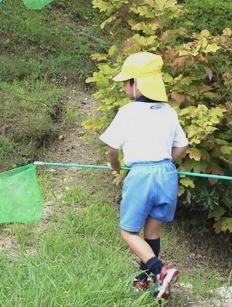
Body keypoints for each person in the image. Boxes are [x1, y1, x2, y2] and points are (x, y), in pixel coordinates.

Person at [99, 52, 188, 300]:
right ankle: (144, 282)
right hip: (167, 175)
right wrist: (165, 163)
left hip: (141, 176)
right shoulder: (169, 111)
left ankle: (161, 271)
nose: (124, 88)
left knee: (128, 232)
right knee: (152, 233)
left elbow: (112, 149)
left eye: (126, 82)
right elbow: (182, 146)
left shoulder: (128, 112)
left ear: (136, 84)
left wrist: (116, 167)